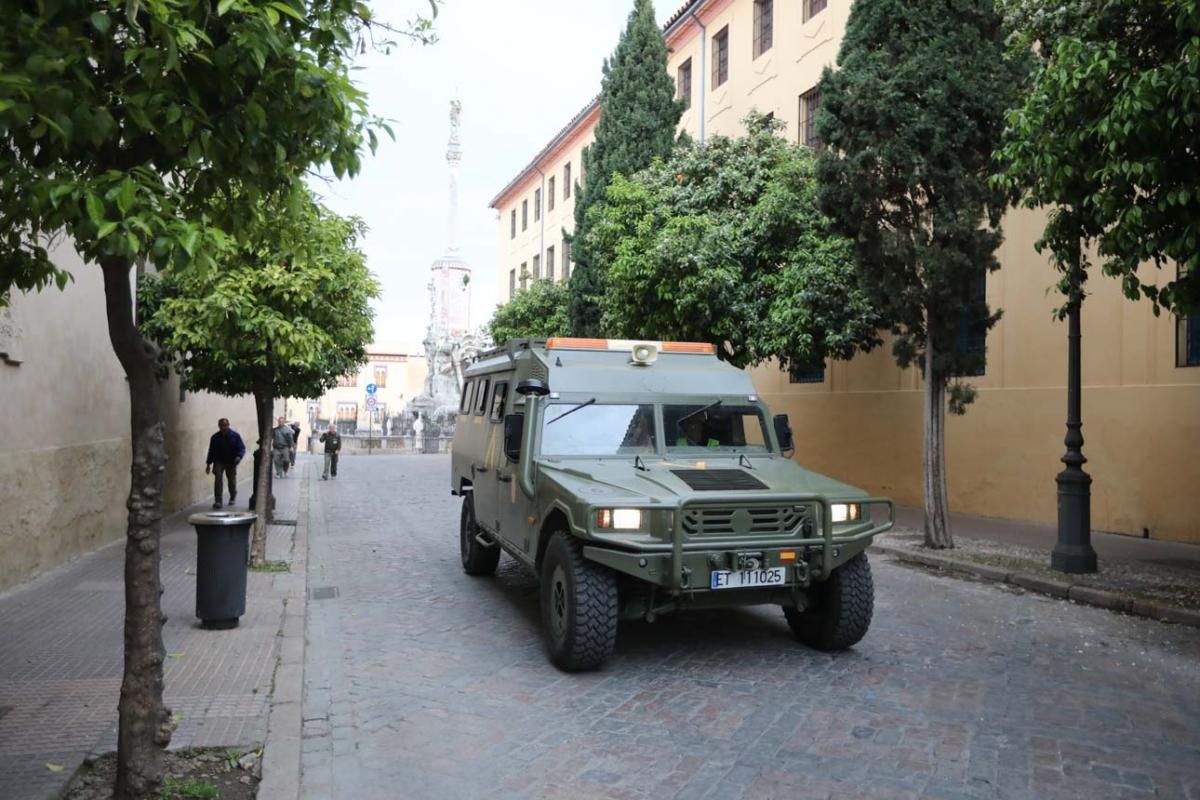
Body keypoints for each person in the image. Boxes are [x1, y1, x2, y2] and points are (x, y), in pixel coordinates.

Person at [205, 418, 245, 509]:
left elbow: (242, 448)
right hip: (219, 461)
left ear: (228, 425)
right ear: (219, 426)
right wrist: (208, 464)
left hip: (231, 461)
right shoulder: (215, 437)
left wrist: (239, 456)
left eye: (225, 425)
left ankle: (233, 495)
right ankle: (218, 500)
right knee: (218, 478)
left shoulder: (235, 436)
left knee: (231, 480)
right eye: (221, 425)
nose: (223, 427)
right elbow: (211, 451)